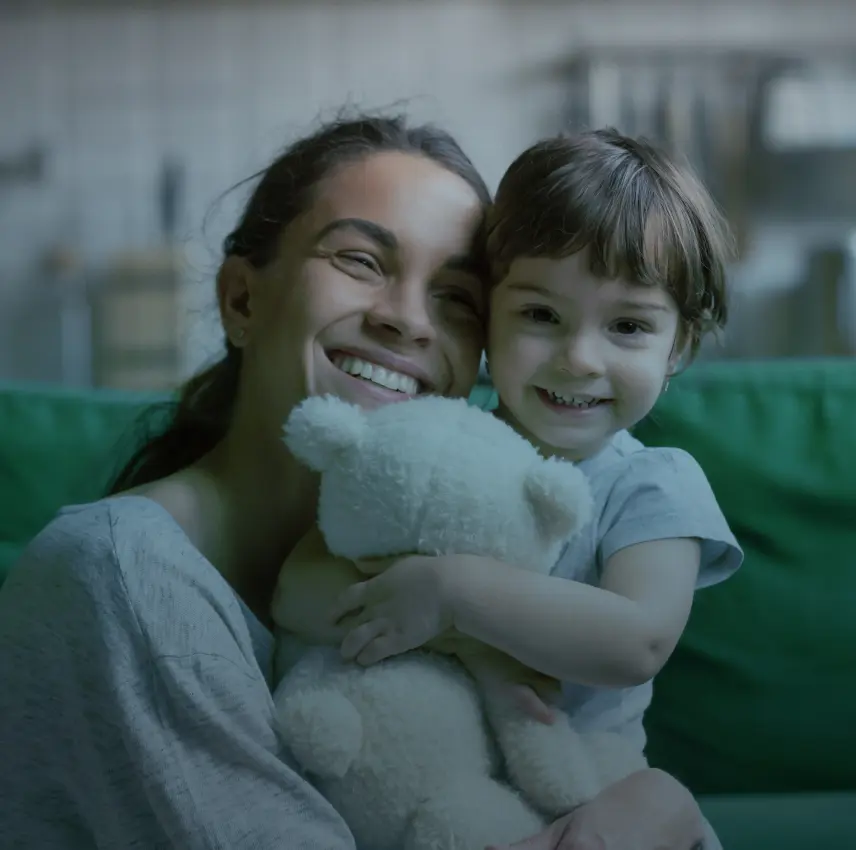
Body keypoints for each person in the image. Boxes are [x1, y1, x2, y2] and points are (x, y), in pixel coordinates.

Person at [0, 110, 719, 850]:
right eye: (361, 261)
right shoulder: (122, 573)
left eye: (455, 298)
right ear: (243, 299)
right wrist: (657, 815)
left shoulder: (462, 513)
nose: (409, 322)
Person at [279, 129, 743, 850]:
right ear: (488, 315)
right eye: (539, 315)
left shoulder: (653, 481)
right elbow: (299, 587)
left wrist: (454, 593)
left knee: (658, 800)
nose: (579, 358)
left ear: (678, 344)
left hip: (589, 791)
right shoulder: (435, 446)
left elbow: (636, 641)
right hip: (443, 795)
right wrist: (471, 649)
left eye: (627, 326)